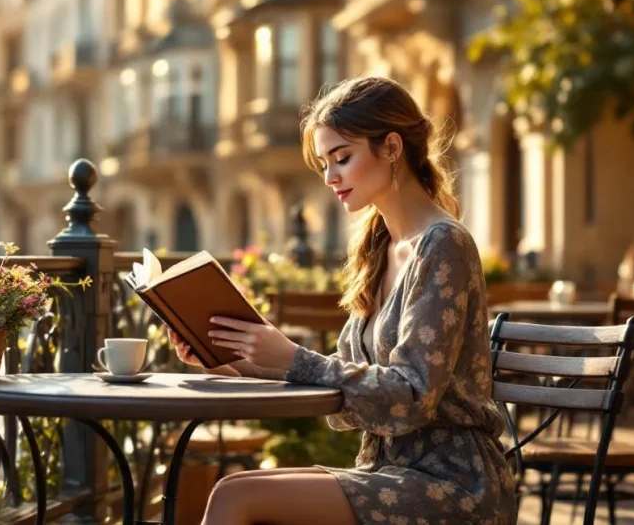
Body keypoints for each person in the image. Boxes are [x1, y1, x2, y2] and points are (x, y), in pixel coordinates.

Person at [168, 77, 517, 525]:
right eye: (324, 164)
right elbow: (346, 379)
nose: (331, 178)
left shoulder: (444, 244)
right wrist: (231, 359)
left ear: (391, 147)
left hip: (454, 483)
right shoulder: (379, 249)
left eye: (342, 158)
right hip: (389, 474)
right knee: (234, 489)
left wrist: (293, 357)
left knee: (239, 499)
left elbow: (412, 396)